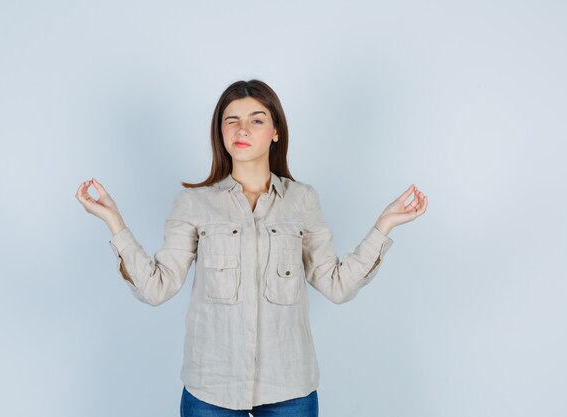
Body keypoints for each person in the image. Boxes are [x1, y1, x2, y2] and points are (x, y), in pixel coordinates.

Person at [75, 79, 428, 416]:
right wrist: (114, 221)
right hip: (210, 390)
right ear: (221, 133)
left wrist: (384, 225)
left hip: (290, 389)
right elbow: (156, 287)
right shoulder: (193, 203)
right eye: (232, 120)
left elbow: (336, 285)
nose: (242, 129)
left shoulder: (302, 200)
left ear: (276, 132)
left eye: (256, 120)